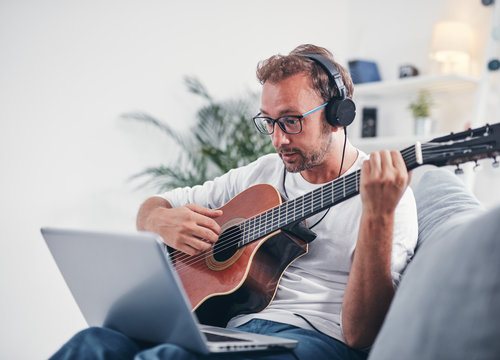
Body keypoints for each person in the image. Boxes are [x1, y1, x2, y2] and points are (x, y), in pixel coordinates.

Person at [50, 44, 417, 360]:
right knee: (92, 343)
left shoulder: (388, 194)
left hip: (314, 339)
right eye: (268, 122)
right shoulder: (261, 174)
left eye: (290, 121)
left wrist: (378, 215)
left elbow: (363, 336)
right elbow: (153, 206)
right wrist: (162, 222)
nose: (277, 140)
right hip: (231, 328)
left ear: (339, 115)